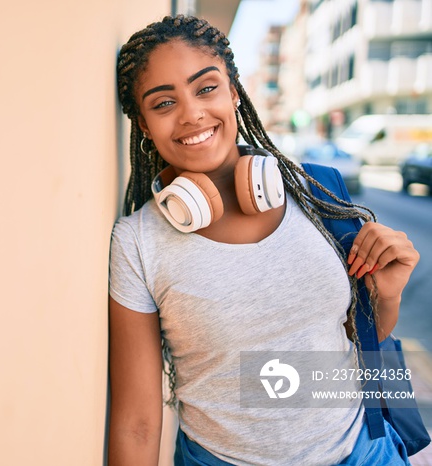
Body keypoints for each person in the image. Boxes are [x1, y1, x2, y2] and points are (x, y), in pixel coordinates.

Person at [107, 15, 419, 466]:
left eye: (206, 88)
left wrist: (386, 297)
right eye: (163, 103)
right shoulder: (137, 242)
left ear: (235, 92)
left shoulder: (316, 194)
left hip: (364, 454)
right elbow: (137, 424)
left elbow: (343, 344)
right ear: (142, 123)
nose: (192, 112)